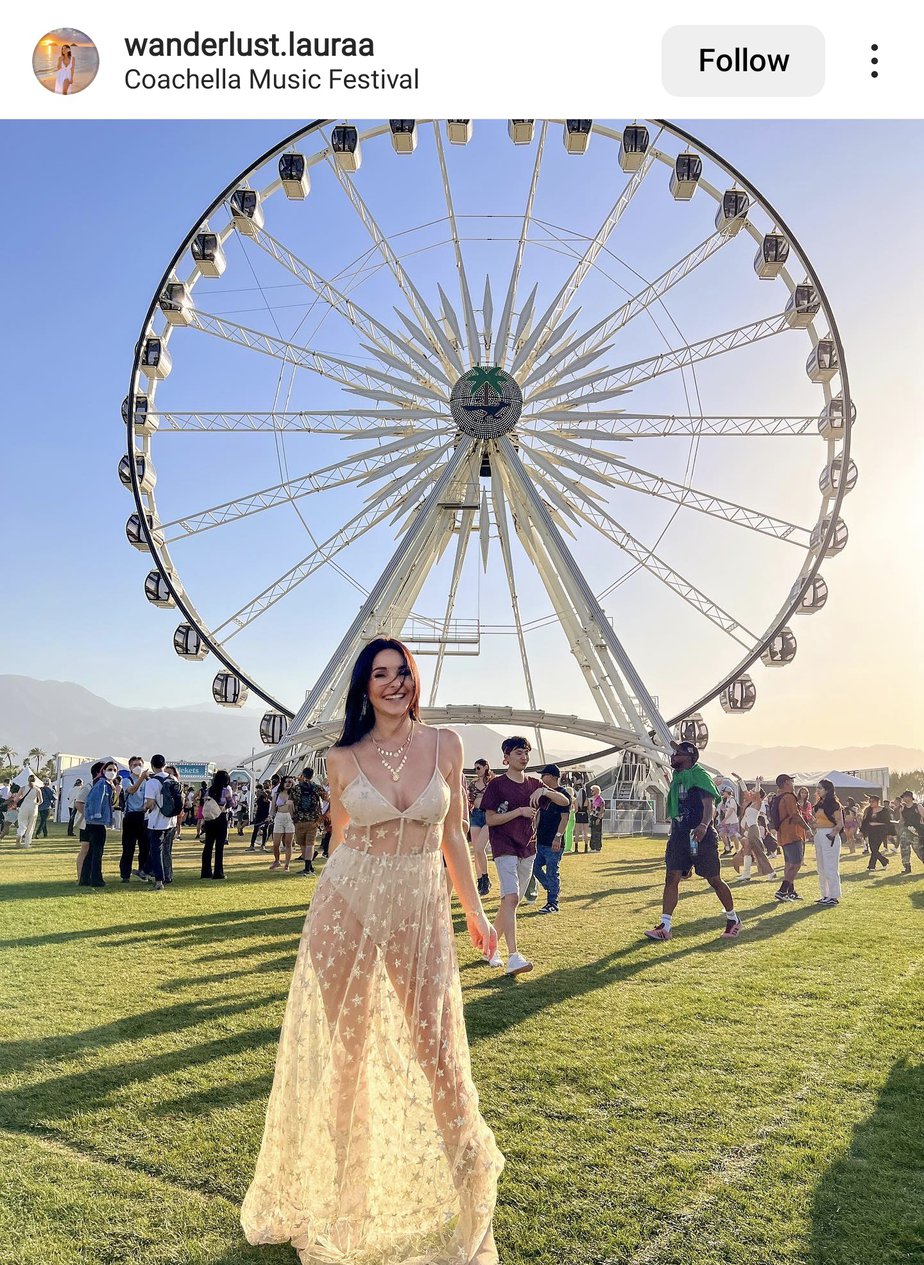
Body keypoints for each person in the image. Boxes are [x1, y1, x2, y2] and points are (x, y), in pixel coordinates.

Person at [241, 637, 502, 1265]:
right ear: (364, 687)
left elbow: (455, 838)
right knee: (349, 1054)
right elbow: (340, 841)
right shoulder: (342, 758)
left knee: (438, 1052)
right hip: (347, 908)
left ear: (414, 680)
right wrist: (334, 913)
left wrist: (474, 908)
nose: (392, 683)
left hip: (421, 905)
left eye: (401, 672)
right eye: (379, 675)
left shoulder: (446, 745)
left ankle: (472, 1206)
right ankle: (341, 1205)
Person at [645, 741, 741, 941]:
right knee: (672, 877)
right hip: (680, 834)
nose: (672, 757)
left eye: (677, 753)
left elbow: (710, 806)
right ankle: (665, 925)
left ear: (689, 757)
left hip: (701, 835)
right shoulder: (678, 778)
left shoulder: (699, 776)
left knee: (714, 880)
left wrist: (704, 825)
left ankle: (733, 919)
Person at [480, 736, 541, 975]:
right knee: (512, 898)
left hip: (528, 847)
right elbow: (490, 819)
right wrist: (519, 812)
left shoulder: (534, 783)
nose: (524, 757)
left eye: (526, 753)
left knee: (508, 903)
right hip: (504, 846)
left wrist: (547, 792)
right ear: (506, 758)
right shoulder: (497, 785)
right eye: (518, 753)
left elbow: (565, 800)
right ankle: (513, 956)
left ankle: (489, 947)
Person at [530, 764, 572, 914]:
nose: (541, 778)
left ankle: (553, 903)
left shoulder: (563, 795)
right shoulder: (544, 795)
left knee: (552, 871)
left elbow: (565, 818)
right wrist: (534, 830)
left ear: (553, 777)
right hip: (541, 840)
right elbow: (540, 813)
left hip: (553, 842)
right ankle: (552, 889)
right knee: (534, 867)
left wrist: (558, 837)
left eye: (544, 775)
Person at [143, 754, 180, 893]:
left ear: (152, 765)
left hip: (157, 821)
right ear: (164, 765)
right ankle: (167, 875)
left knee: (155, 850)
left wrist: (145, 808)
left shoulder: (152, 782)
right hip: (171, 820)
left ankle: (159, 880)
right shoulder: (173, 779)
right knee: (167, 850)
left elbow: (150, 803)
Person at [80, 758, 119, 886]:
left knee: (91, 852)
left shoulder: (105, 784)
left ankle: (85, 879)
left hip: (94, 822)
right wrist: (97, 815)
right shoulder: (102, 784)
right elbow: (96, 801)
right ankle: (96, 879)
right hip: (96, 823)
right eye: (109, 769)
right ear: (103, 771)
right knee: (97, 852)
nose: (112, 772)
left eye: (114, 770)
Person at [772, 775, 808, 902]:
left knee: (789, 864)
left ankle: (790, 891)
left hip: (782, 834)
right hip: (792, 834)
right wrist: (808, 828)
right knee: (796, 863)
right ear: (786, 782)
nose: (793, 783)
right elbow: (795, 815)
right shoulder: (789, 797)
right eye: (791, 781)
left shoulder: (778, 796)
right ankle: (782, 890)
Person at [733, 780, 778, 882]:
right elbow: (745, 791)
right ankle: (746, 874)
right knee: (748, 849)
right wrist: (740, 780)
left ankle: (771, 872)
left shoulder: (758, 802)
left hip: (753, 829)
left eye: (752, 791)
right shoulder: (752, 802)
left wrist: (758, 783)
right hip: (750, 829)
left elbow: (757, 793)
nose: (750, 792)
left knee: (759, 851)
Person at [812, 779, 845, 906]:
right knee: (821, 867)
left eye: (820, 788)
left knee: (830, 866)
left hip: (829, 834)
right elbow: (817, 819)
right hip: (819, 834)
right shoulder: (820, 803)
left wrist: (832, 834)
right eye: (817, 788)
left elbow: (840, 823)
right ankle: (825, 894)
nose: (818, 790)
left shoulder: (834, 804)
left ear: (827, 789)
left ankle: (833, 895)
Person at [119, 757, 150, 882]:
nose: (137, 767)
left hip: (144, 815)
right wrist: (141, 778)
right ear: (130, 767)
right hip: (131, 816)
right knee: (128, 848)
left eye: (139, 764)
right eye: (134, 765)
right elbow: (132, 790)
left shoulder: (148, 781)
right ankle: (125, 875)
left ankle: (143, 871)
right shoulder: (127, 780)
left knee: (145, 847)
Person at [201, 769, 233, 879]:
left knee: (208, 846)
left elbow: (204, 802)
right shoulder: (226, 791)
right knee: (219, 847)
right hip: (221, 818)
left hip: (210, 820)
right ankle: (218, 872)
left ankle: (205, 872)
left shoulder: (209, 790)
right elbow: (232, 804)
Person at [292, 767, 324, 877]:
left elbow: (291, 803)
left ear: (302, 775)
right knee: (310, 844)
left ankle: (308, 867)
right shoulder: (317, 788)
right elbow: (326, 797)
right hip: (313, 819)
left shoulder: (296, 788)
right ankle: (308, 867)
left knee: (302, 844)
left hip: (299, 819)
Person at [469, 759, 494, 897]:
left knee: (480, 848)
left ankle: (485, 877)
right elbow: (470, 800)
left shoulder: (492, 782)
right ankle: (480, 880)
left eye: (478, 768)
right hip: (476, 815)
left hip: (488, 815)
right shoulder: (473, 784)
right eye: (475, 769)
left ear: (485, 767)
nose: (476, 771)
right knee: (476, 851)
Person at [72, 767, 99, 880]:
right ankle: (80, 877)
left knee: (94, 849)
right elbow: (78, 804)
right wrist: (89, 816)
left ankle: (90, 875)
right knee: (85, 847)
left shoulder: (101, 787)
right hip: (86, 823)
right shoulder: (88, 787)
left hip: (97, 824)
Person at [269, 774, 297, 872]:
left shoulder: (294, 794)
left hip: (290, 818)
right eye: (286, 782)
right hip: (279, 816)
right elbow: (273, 808)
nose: (288, 784)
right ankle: (277, 860)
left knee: (288, 843)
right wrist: (270, 816)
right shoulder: (277, 794)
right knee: (276, 843)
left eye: (290, 782)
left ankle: (287, 864)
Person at [859, 795, 893, 872]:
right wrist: (861, 831)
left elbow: (888, 821)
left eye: (873, 801)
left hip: (880, 831)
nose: (871, 803)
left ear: (878, 802)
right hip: (871, 831)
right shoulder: (869, 811)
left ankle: (871, 866)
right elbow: (865, 822)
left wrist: (891, 832)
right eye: (870, 801)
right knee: (873, 849)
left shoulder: (884, 810)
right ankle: (884, 861)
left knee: (875, 848)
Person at [898, 790, 924, 873]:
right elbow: (901, 820)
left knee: (918, 849)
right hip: (906, 830)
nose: (904, 799)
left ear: (910, 797)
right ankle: (906, 866)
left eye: (905, 797)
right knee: (904, 848)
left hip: (917, 831)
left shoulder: (918, 807)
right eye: (903, 797)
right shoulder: (902, 808)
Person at [15, 776, 42, 849]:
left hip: (24, 807)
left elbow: (16, 798)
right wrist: (37, 804)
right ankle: (27, 843)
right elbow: (41, 801)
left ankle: (20, 834)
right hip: (33, 808)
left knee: (22, 823)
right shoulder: (37, 789)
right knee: (31, 826)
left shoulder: (23, 788)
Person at [573, 779, 591, 851]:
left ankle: (576, 848)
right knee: (585, 832)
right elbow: (589, 810)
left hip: (578, 815)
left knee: (577, 832)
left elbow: (576, 809)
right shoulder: (587, 800)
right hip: (585, 815)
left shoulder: (576, 800)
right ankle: (586, 848)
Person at [588, 784, 606, 852]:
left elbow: (602, 810)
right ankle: (592, 847)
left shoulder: (600, 800)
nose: (591, 792)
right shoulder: (593, 799)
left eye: (592, 790)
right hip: (593, 816)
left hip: (597, 817)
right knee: (593, 832)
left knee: (597, 833)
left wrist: (599, 818)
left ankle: (597, 847)